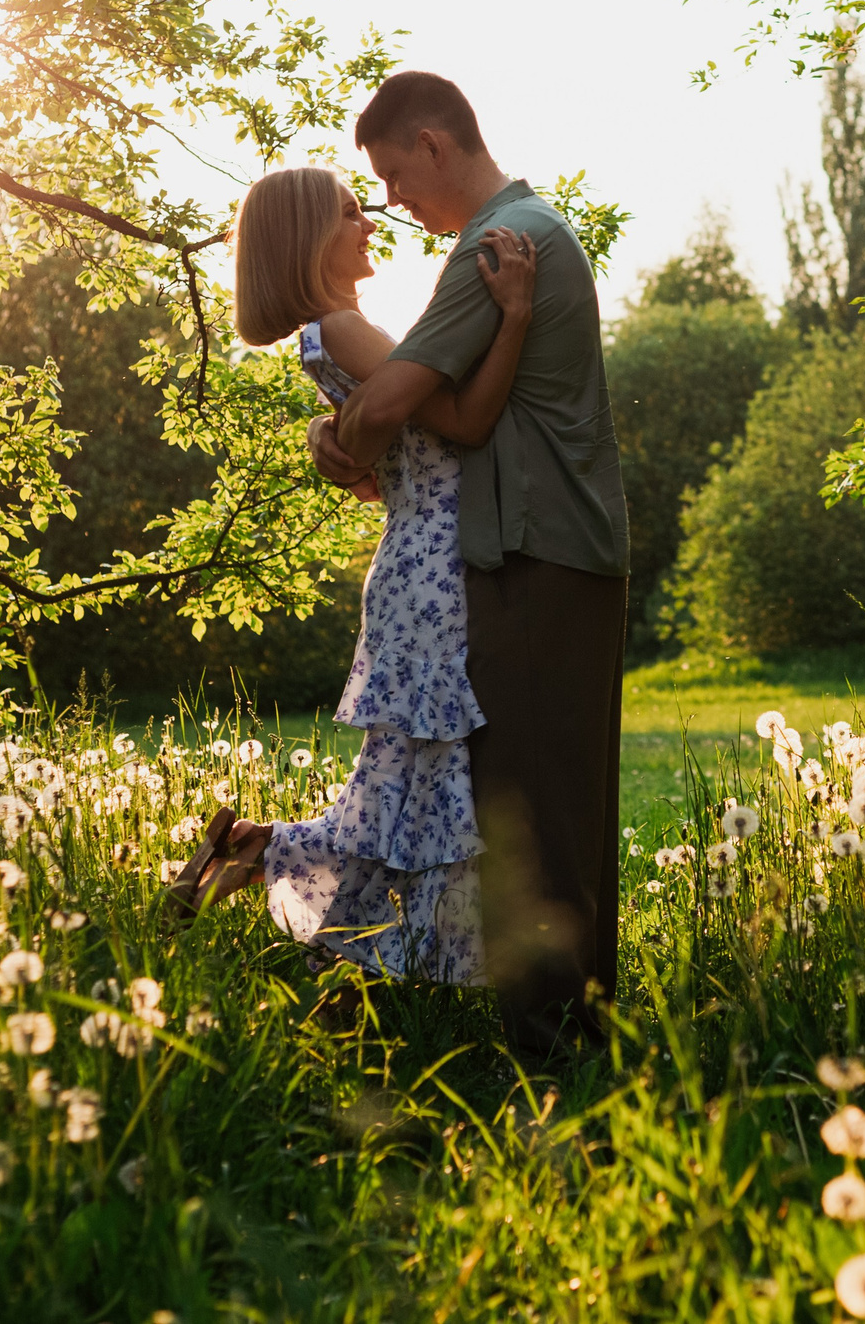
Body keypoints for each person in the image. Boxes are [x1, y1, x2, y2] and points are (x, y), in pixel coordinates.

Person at [305, 71, 630, 1058]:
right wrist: (349, 433)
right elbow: (441, 411)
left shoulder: (496, 245)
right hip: (552, 554)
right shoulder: (519, 235)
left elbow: (401, 395)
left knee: (531, 807)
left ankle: (555, 1047)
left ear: (434, 142)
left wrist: (334, 439)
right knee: (554, 797)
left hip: (533, 557)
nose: (394, 201)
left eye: (395, 175)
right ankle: (573, 1035)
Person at [165, 165, 535, 987]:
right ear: (310, 237)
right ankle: (363, 951)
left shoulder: (336, 334)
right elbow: (470, 420)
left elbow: (385, 463)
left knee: (406, 780)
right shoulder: (344, 329)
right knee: (422, 781)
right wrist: (512, 316)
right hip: (431, 573)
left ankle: (262, 853)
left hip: (419, 570)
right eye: (351, 211)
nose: (370, 223)